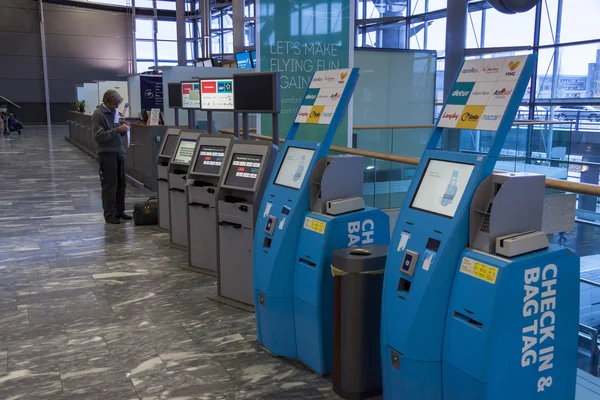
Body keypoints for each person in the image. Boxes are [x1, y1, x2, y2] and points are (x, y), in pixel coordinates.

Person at [92, 90, 132, 225]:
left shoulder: (114, 113)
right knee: (110, 185)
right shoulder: (98, 114)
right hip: (107, 153)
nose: (117, 106)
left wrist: (123, 129)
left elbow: (114, 132)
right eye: (115, 103)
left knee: (121, 184)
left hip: (119, 152)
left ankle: (119, 211)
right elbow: (99, 137)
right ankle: (109, 214)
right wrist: (117, 130)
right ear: (108, 100)